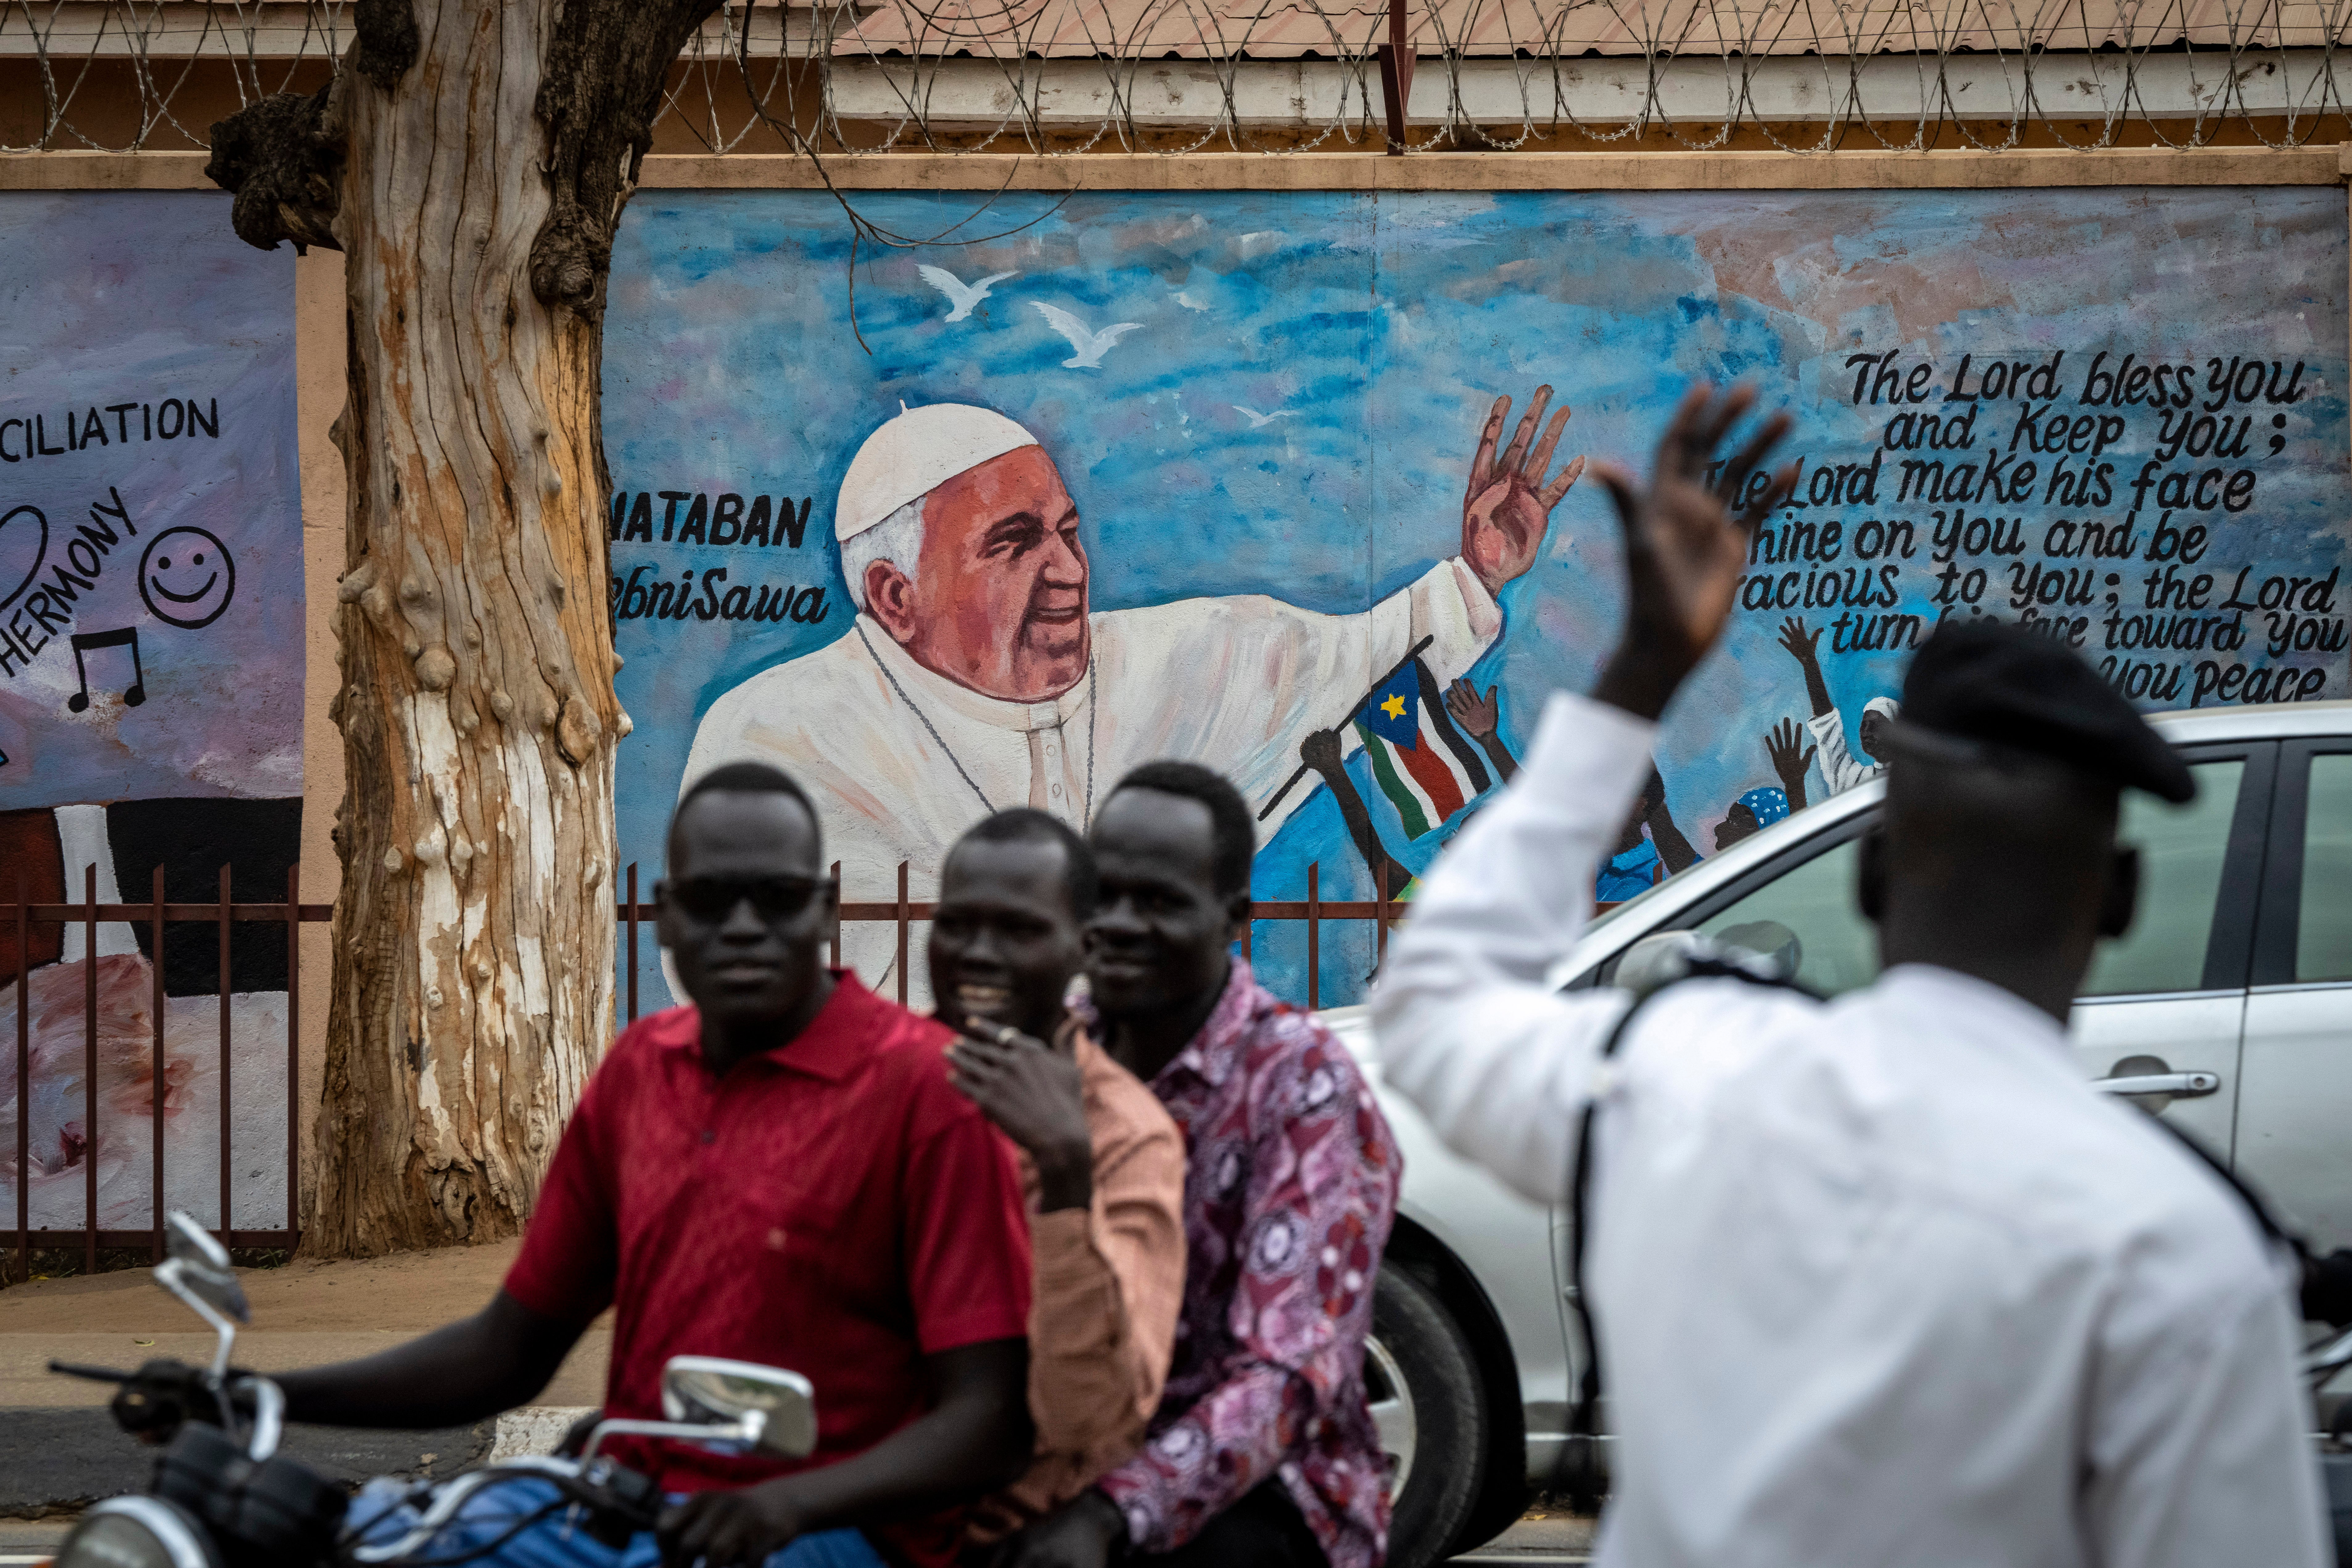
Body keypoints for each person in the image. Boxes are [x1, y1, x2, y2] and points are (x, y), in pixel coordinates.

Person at [1374, 385, 2328, 1568]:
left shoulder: (1681, 1080)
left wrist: (1641, 674)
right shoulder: (2179, 1252)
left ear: (1869, 869)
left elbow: (1425, 1008)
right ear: (2119, 902)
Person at [114, 763, 1040, 1568]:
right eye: (715, 901)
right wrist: (256, 1392)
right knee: (339, 1533)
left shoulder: (925, 1094)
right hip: (625, 1507)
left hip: (825, 1537)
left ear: (825, 911)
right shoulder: (641, 1073)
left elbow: (989, 1420)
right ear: (668, 921)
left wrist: (788, 1502)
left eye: (779, 898)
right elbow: (509, 1349)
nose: (748, 927)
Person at [681, 388, 1583, 1000]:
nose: (1069, 572)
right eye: (1014, 544)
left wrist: (1475, 577)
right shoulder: (779, 739)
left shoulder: (1169, 664)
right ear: (893, 597)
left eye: (1068, 533)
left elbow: (1347, 666)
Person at [1002, 762, 1402, 1568]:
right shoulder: (1048, 1055)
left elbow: (1290, 1371)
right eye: (1102, 893)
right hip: (1064, 1447)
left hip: (1262, 1491)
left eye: (1157, 902)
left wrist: (1115, 1511)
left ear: (1232, 917)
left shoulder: (1303, 1083)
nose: (1115, 923)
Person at [927, 808, 1189, 1543]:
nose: (977, 953)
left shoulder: (1122, 1136)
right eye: (957, 924)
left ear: (1083, 947)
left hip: (1008, 1533)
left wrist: (1064, 1174)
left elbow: (1087, 1415)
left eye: (1017, 930)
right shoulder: (879, 1082)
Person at [1776, 613, 1897, 794]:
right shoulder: (1856, 781)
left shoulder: (1919, 783)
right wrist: (1810, 665)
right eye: (1864, 726)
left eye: (1875, 726)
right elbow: (1829, 730)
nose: (1865, 733)